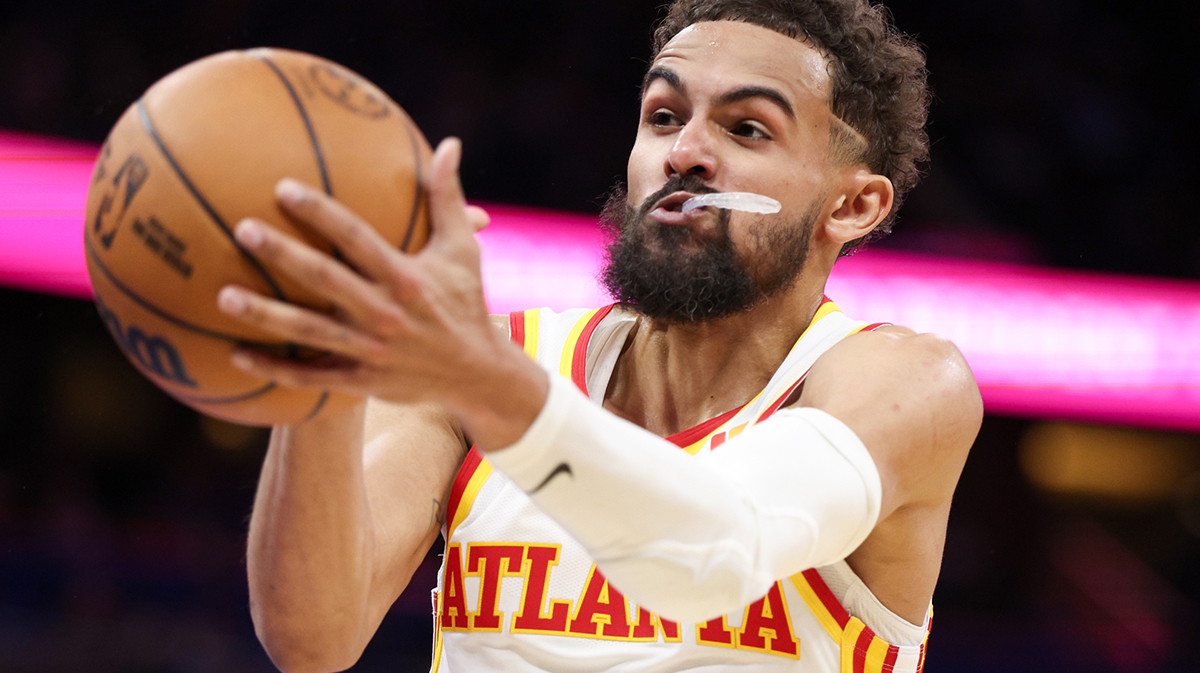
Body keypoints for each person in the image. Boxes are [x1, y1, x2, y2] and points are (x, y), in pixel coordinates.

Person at [221, 1, 982, 671]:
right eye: (662, 115)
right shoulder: (497, 361)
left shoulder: (904, 384)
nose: (684, 152)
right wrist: (319, 368)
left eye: (747, 128)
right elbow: (311, 637)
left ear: (853, 205)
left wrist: (486, 381)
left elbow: (713, 554)